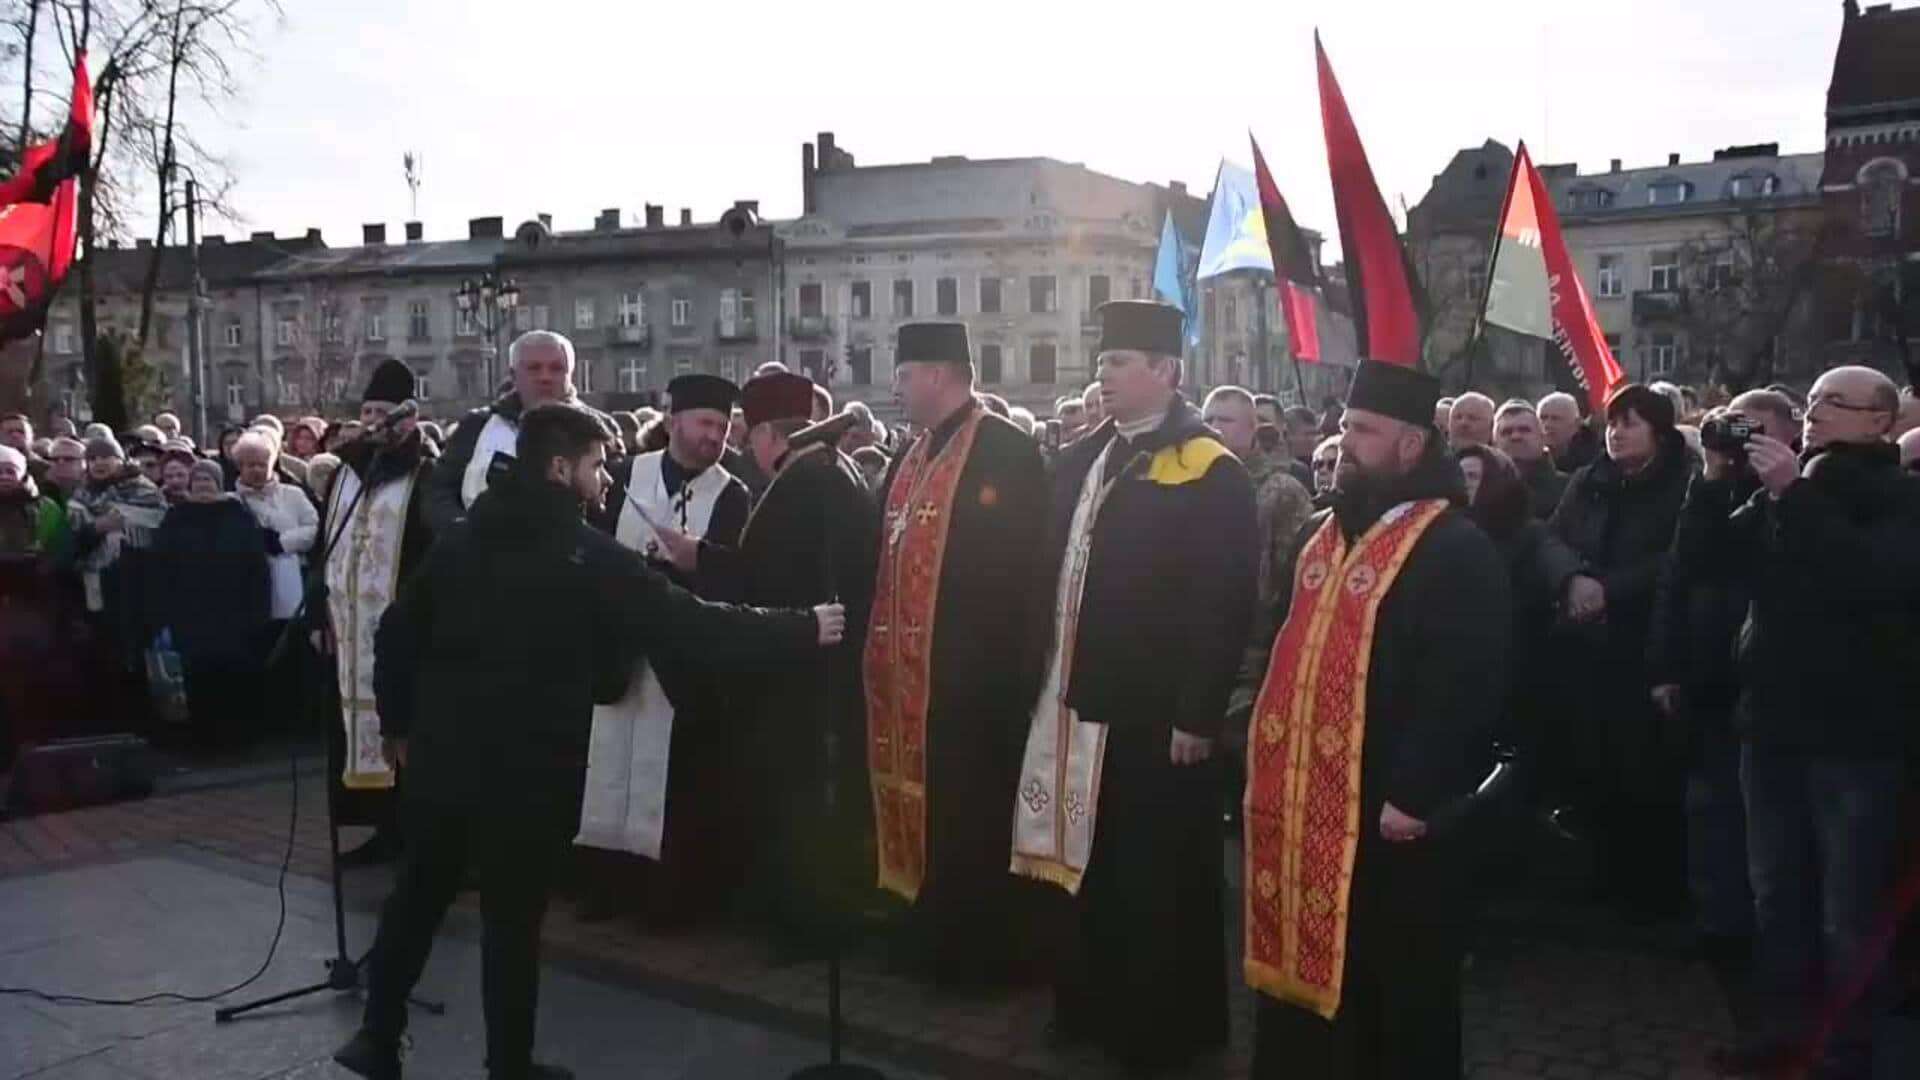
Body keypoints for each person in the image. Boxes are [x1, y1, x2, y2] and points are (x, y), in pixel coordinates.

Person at [332, 403, 844, 1080]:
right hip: (529, 767)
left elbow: (397, 630)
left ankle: (377, 1036)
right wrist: (802, 626)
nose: (605, 481)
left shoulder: (464, 538)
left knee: (417, 897)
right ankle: (509, 1066)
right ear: (560, 467)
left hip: (443, 758)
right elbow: (691, 624)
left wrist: (397, 726)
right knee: (512, 924)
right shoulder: (583, 552)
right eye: (597, 465)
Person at [1245, 360, 1510, 1080]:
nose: (1343, 439)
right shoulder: (1319, 536)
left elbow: (1466, 683)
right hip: (1307, 806)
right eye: (1342, 426)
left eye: (1362, 429)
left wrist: (1416, 792)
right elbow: (1276, 644)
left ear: (1411, 444)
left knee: (1397, 985)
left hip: (1390, 817)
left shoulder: (1454, 545)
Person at [1013, 300, 1256, 1072]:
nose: (1103, 375)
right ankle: (1084, 1002)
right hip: (1076, 701)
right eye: (1101, 361)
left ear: (1166, 372)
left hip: (1156, 715)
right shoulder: (1085, 456)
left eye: (1119, 362)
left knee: (1155, 876)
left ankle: (1158, 1026)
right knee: (1085, 864)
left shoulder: (1210, 469)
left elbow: (1224, 603)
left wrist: (1198, 711)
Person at [1670, 366, 1919, 1079]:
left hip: (1856, 738)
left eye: (1833, 405)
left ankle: (1846, 1052)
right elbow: (1707, 562)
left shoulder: (1900, 497)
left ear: (1879, 421)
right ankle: (1781, 1032)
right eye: (1809, 403)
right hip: (1771, 729)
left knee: (1849, 909)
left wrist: (1793, 493)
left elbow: (1868, 578)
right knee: (1776, 895)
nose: (1813, 416)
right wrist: (1715, 479)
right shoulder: (1785, 494)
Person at [862, 322, 1048, 988]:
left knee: (972, 821)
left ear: (938, 374)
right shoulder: (910, 455)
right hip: (910, 685)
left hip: (976, 687)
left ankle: (977, 959)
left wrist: (1009, 676)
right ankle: (922, 934)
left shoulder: (1007, 451)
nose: (897, 387)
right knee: (925, 811)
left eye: (905, 375)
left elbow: (1029, 573)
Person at [575, 373, 756, 929]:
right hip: (620, 648)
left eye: (724, 428)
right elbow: (593, 547)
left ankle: (668, 896)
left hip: (680, 659)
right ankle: (607, 886)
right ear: (674, 421)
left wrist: (691, 565)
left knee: (675, 779)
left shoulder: (732, 493)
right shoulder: (628, 474)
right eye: (705, 423)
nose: (714, 437)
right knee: (609, 763)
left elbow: (734, 578)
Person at [733, 370, 880, 960]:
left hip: (804, 670)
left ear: (769, 434)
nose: (747, 450)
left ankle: (806, 921)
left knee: (803, 799)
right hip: (823, 663)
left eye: (749, 438)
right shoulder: (831, 469)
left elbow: (768, 575)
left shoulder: (805, 479)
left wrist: (709, 563)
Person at [1548, 384, 1696, 920]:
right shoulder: (1590, 480)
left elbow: (1679, 555)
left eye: (1631, 422)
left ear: (1659, 430)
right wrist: (1573, 578)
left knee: (1644, 769)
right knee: (1592, 764)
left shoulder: (1686, 483)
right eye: (1612, 423)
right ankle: (1598, 879)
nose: (1616, 432)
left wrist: (1612, 588)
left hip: (1646, 645)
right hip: (1587, 647)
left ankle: (1650, 890)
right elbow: (1553, 539)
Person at [320, 359, 439, 868]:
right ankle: (383, 829)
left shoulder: (427, 474)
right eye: (366, 410)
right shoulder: (346, 472)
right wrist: (317, 620)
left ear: (408, 419)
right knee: (357, 731)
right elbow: (322, 553)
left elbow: (432, 551)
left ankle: (422, 835)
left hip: (405, 629)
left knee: (409, 729)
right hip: (348, 629)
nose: (372, 420)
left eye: (384, 412)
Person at [148, 459, 271, 750]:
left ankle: (239, 740)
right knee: (198, 680)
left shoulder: (239, 516)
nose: (203, 486)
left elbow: (257, 567)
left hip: (235, 614)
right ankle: (204, 741)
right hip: (191, 615)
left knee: (235, 679)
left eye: (209, 480)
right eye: (198, 481)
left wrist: (258, 612)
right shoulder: (176, 517)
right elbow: (160, 567)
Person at [427, 330, 587, 533]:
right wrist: (462, 531)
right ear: (514, 375)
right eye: (534, 368)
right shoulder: (477, 426)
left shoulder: (594, 431)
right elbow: (439, 492)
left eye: (556, 368)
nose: (545, 377)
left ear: (570, 375)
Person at [63, 435, 168, 684]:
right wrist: (97, 528)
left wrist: (127, 522)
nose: (99, 463)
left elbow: (161, 527)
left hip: (140, 585)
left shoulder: (145, 490)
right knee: (105, 655)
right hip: (97, 587)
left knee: (140, 653)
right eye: (93, 458)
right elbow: (71, 546)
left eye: (106, 457)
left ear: (120, 459)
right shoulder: (80, 496)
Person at [232, 431, 319, 630]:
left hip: (293, 582)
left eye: (262, 464)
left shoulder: (293, 494)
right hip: (249, 587)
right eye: (250, 465)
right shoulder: (231, 501)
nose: (256, 470)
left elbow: (314, 527)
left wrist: (282, 542)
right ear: (239, 467)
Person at [1494, 400, 1568, 519]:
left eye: (1524, 430)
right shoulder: (1478, 488)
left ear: (1542, 437)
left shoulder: (1569, 489)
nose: (1515, 436)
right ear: (1494, 442)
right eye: (1506, 432)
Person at [0, 444, 64, 556]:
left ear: (23, 474)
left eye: (11, 471)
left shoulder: (47, 508)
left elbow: (60, 549)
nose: (4, 476)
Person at [1539, 391, 1601, 474]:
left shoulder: (1595, 464)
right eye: (1543, 418)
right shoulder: (1526, 457)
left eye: (1555, 419)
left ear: (1576, 424)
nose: (1547, 425)